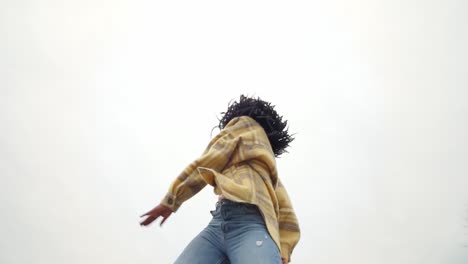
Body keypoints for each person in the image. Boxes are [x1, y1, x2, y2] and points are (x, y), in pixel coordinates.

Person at [140, 95, 300, 263]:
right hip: (226, 223)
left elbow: (206, 162)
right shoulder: (266, 173)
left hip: (242, 223)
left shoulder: (243, 125)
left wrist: (172, 199)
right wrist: (285, 248)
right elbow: (285, 208)